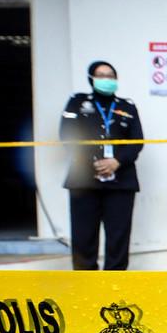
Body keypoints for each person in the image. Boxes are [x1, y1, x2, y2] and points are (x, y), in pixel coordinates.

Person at [60, 60, 143, 270]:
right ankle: (86, 282)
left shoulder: (127, 106)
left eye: (111, 76)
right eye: (101, 75)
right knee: (83, 236)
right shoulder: (77, 103)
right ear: (91, 79)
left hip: (120, 180)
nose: (107, 79)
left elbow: (137, 140)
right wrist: (93, 162)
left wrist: (117, 161)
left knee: (118, 237)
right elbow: (67, 135)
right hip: (84, 180)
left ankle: (115, 282)